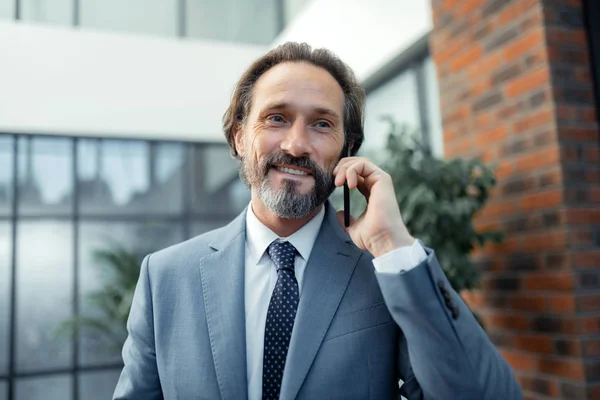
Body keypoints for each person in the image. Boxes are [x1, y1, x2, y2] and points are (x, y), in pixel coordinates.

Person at [113, 42, 522, 400]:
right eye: (276, 118)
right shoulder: (164, 277)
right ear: (239, 136)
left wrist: (390, 242)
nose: (295, 144)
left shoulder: (388, 274)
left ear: (349, 148)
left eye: (322, 124)